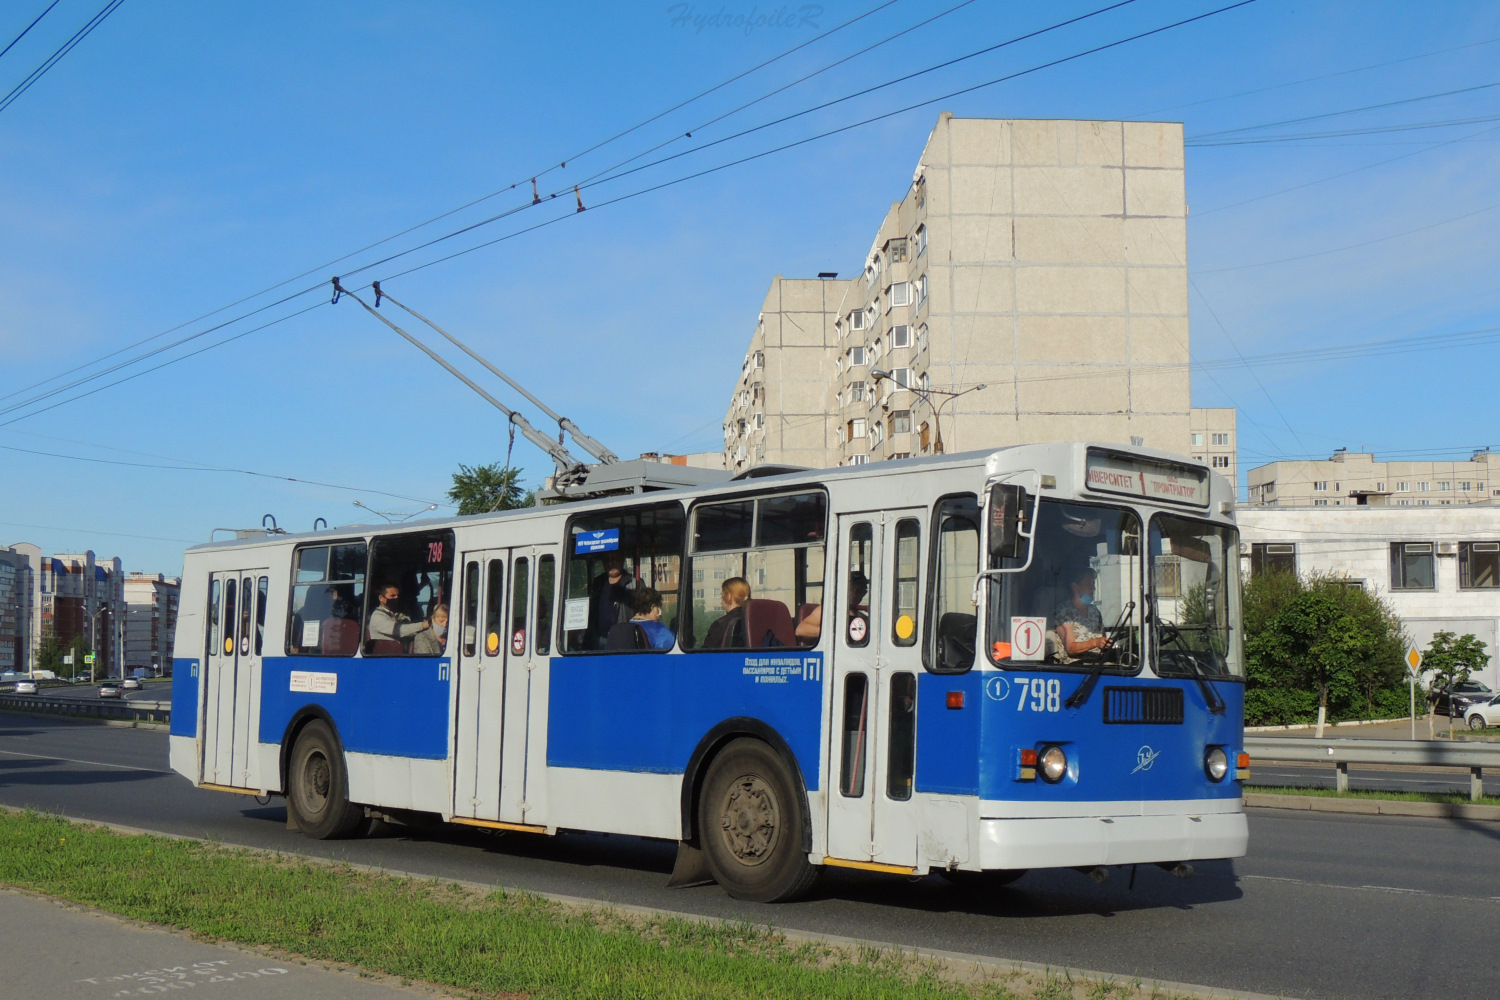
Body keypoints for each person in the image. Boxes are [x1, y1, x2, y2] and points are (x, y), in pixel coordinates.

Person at [1048, 567, 1112, 659]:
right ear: (1076, 587)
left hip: (1098, 663)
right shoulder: (1063, 611)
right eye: (1089, 584)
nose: (1093, 588)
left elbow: (1102, 640)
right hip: (1076, 668)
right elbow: (1070, 648)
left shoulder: (1094, 611)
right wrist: (1095, 642)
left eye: (1093, 584)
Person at [794, 571, 869, 642]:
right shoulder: (828, 610)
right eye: (851, 589)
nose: (855, 594)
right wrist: (837, 632)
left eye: (860, 591)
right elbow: (801, 630)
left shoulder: (862, 617)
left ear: (864, 593)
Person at [587, 551, 638, 649]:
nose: (611, 563)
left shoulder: (634, 583)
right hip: (600, 638)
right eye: (607, 560)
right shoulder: (598, 584)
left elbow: (642, 611)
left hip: (623, 639)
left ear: (622, 560)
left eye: (615, 558)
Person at [367, 583, 430, 650]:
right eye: (392, 596)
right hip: (386, 654)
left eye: (397, 596)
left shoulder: (397, 614)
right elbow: (399, 630)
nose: (396, 598)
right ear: (381, 598)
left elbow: (409, 628)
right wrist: (423, 625)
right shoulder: (377, 616)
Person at [704, 577, 750, 648]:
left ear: (729, 596)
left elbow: (704, 654)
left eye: (722, 596)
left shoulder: (720, 625)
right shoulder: (753, 620)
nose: (721, 602)